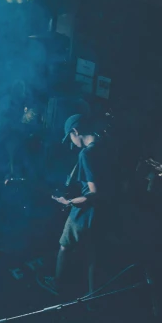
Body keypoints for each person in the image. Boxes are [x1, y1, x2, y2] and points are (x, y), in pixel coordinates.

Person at [39, 113, 115, 296]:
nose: (71, 143)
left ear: (75, 131)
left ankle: (57, 284)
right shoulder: (106, 143)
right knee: (93, 255)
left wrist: (69, 201)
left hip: (85, 213)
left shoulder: (86, 154)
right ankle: (92, 295)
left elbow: (94, 192)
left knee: (64, 246)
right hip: (106, 210)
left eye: (71, 137)